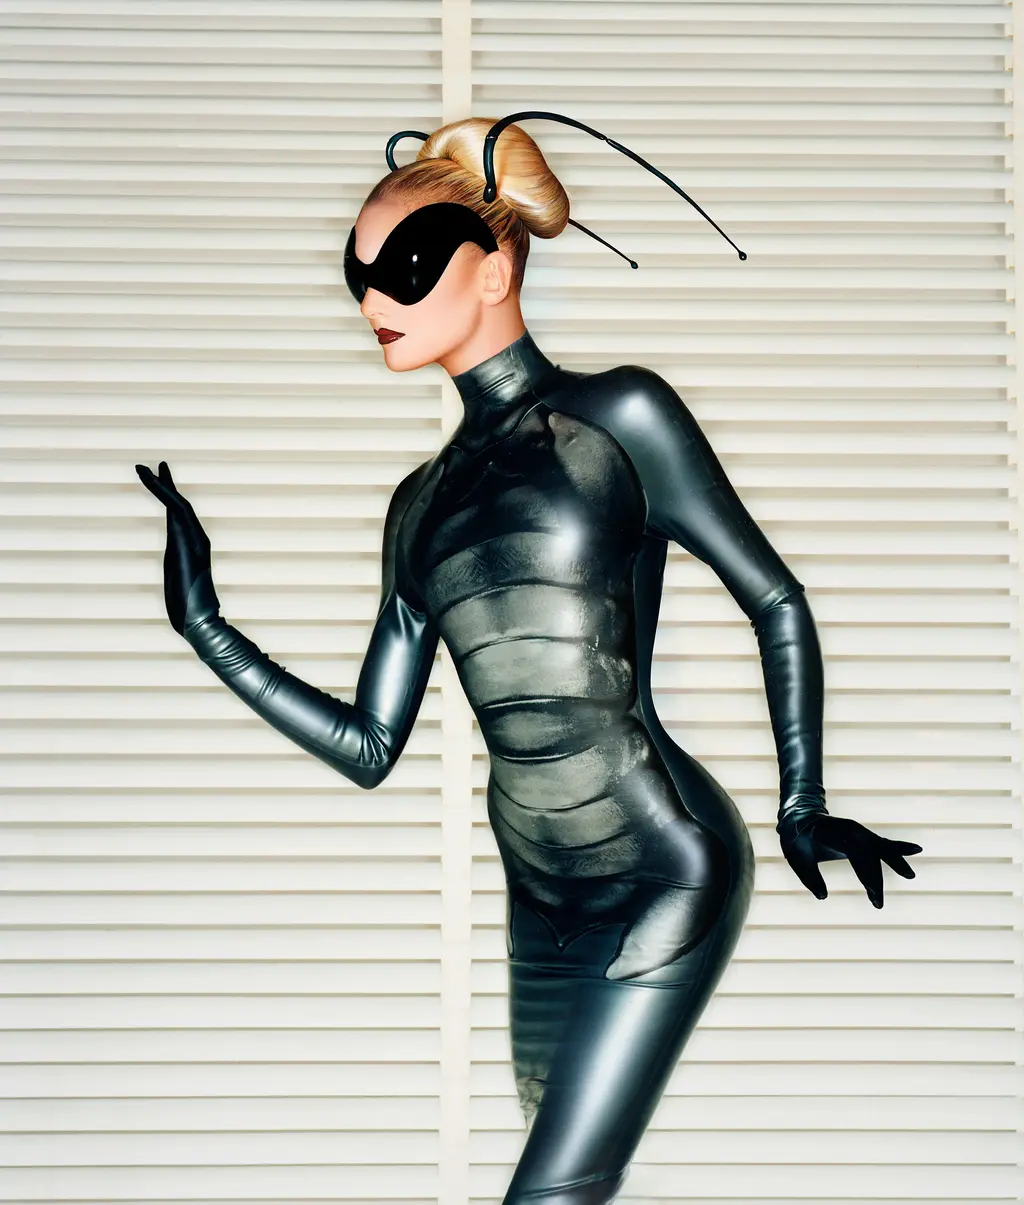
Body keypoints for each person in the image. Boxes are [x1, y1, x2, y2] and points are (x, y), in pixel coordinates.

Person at [137, 116, 922, 1205]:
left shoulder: (623, 414)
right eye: (359, 275)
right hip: (537, 896)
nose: (373, 302)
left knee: (550, 1195)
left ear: (496, 268)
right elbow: (369, 745)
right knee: (568, 1190)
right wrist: (208, 626)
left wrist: (803, 803)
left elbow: (772, 595)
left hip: (664, 869)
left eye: (407, 267)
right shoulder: (418, 506)